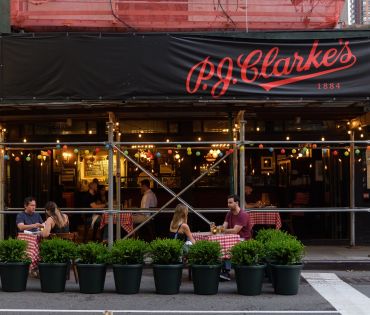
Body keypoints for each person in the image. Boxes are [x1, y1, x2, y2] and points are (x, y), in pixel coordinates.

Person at [220, 194, 252, 281]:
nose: (228, 205)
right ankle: (222, 269)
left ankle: (226, 272)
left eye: (230, 203)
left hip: (244, 239)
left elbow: (235, 231)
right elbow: (224, 226)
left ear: (236, 203)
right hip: (232, 239)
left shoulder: (243, 215)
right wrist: (218, 229)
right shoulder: (229, 214)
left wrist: (222, 230)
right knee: (220, 244)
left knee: (227, 246)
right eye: (228, 203)